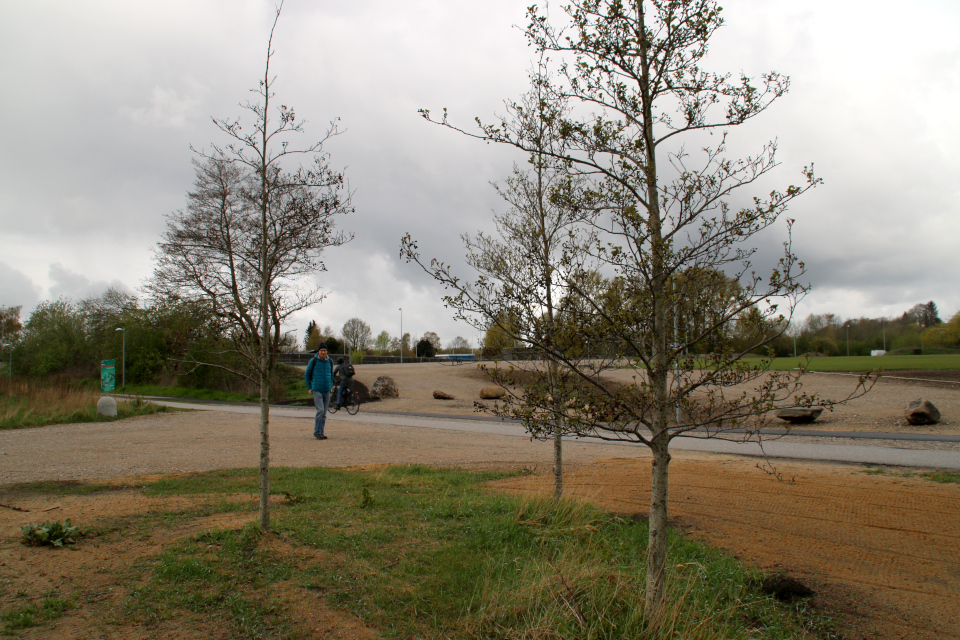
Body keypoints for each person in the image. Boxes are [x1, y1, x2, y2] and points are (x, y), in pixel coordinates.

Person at [304, 343, 334, 439]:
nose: (323, 352)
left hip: (327, 390)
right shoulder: (314, 361)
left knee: (324, 413)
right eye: (321, 350)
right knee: (320, 410)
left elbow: (331, 375)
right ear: (318, 351)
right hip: (317, 389)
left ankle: (321, 432)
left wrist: (330, 385)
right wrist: (309, 387)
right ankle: (317, 431)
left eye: (325, 350)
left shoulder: (330, 361)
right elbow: (307, 374)